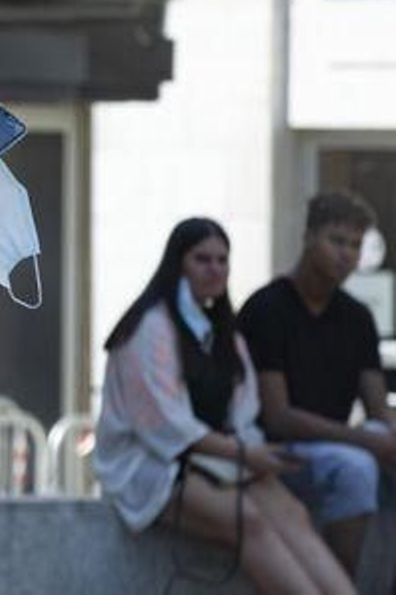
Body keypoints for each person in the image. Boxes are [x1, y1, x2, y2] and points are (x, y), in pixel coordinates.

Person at [96, 217, 352, 595]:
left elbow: (242, 409)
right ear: (178, 263)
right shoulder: (148, 328)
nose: (215, 269)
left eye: (222, 260)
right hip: (151, 466)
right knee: (250, 521)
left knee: (293, 514)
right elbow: (167, 427)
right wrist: (245, 455)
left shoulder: (220, 329)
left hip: (218, 458)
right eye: (203, 259)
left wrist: (250, 454)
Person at [238, 190, 395, 578]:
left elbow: (377, 410)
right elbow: (278, 417)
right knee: (355, 466)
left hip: (337, 444)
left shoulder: (357, 317)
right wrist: (367, 439)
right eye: (337, 240)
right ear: (309, 237)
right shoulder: (267, 308)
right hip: (274, 453)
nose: (347, 254)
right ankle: (337, 582)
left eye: (356, 245)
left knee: (368, 449)